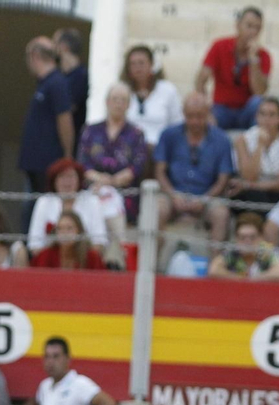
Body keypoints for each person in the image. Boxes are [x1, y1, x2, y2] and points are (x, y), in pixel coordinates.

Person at [155, 92, 234, 239]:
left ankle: (216, 254)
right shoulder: (169, 135)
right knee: (157, 209)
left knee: (221, 214)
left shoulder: (222, 139)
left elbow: (223, 179)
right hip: (173, 193)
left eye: (200, 116)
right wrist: (173, 195)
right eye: (190, 116)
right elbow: (160, 172)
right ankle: (152, 253)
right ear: (183, 114)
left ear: (208, 114)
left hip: (207, 196)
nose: (195, 121)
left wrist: (205, 199)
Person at [78, 83, 149, 223]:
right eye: (115, 99)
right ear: (107, 102)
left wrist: (113, 182)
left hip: (124, 192)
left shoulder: (137, 133)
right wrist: (100, 179)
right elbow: (83, 163)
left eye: (123, 100)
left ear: (129, 105)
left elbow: (138, 165)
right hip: (93, 188)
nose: (118, 104)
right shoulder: (90, 130)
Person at [15, 336, 117, 405]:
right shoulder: (44, 386)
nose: (51, 362)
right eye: (47, 356)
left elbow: (108, 404)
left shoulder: (79, 383)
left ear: (67, 359)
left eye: (56, 356)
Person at [197, 6, 270, 132]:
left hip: (247, 111)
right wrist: (206, 110)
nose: (253, 32)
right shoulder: (219, 46)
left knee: (258, 102)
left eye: (257, 28)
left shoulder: (263, 55)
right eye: (249, 26)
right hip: (221, 109)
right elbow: (201, 80)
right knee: (208, 119)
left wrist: (254, 60)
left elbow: (259, 91)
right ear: (238, 25)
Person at [20, 37, 74, 195]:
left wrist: (67, 156)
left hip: (47, 163)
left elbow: (64, 119)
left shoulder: (57, 83)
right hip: (35, 162)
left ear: (35, 55)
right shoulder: (44, 83)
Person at [26, 158, 108, 254]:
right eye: (62, 177)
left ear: (79, 179)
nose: (67, 182)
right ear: (54, 181)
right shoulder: (44, 202)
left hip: (84, 258)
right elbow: (34, 244)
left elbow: (99, 242)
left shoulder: (92, 201)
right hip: (50, 260)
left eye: (71, 176)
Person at [230, 97, 279, 210]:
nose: (266, 119)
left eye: (272, 115)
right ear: (256, 117)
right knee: (251, 195)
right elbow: (249, 176)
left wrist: (249, 185)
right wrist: (260, 146)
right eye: (262, 114)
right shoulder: (243, 140)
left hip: (275, 194)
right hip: (250, 194)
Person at [122, 44, 182, 148]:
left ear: (152, 65)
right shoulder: (122, 90)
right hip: (128, 148)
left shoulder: (168, 90)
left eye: (141, 63)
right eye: (133, 64)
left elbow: (177, 124)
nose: (137, 68)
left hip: (160, 148)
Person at [208, 211, 279, 279]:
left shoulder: (266, 251)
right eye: (242, 237)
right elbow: (214, 270)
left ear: (261, 237)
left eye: (252, 237)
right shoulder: (232, 250)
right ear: (236, 238)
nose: (247, 242)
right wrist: (240, 279)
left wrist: (252, 281)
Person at [30, 210, 105, 270]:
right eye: (60, 229)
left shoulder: (92, 257)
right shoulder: (46, 255)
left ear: (79, 231)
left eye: (69, 228)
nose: (64, 233)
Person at [56, 29, 89, 140]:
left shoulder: (81, 76)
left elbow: (66, 109)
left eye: (54, 43)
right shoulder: (60, 76)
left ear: (63, 46)